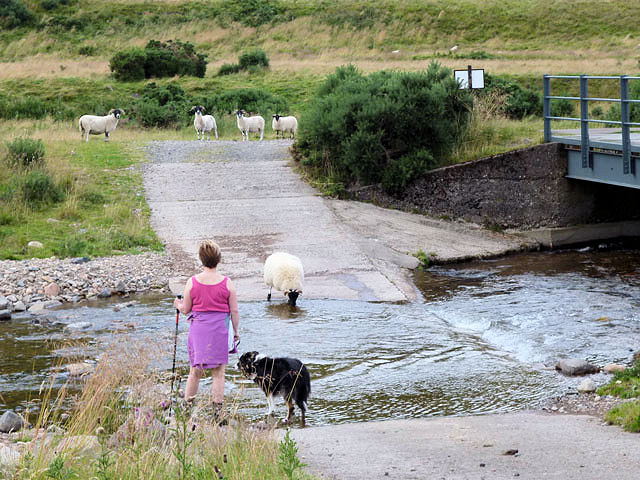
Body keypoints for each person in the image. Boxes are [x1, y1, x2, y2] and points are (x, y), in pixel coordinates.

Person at [173, 240, 240, 422]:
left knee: (195, 370)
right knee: (218, 372)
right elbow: (234, 311)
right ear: (218, 260)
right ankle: (217, 413)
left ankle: (187, 409)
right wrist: (236, 332)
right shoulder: (227, 283)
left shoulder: (192, 282)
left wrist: (177, 304)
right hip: (219, 331)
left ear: (201, 260)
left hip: (199, 331)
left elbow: (186, 309)